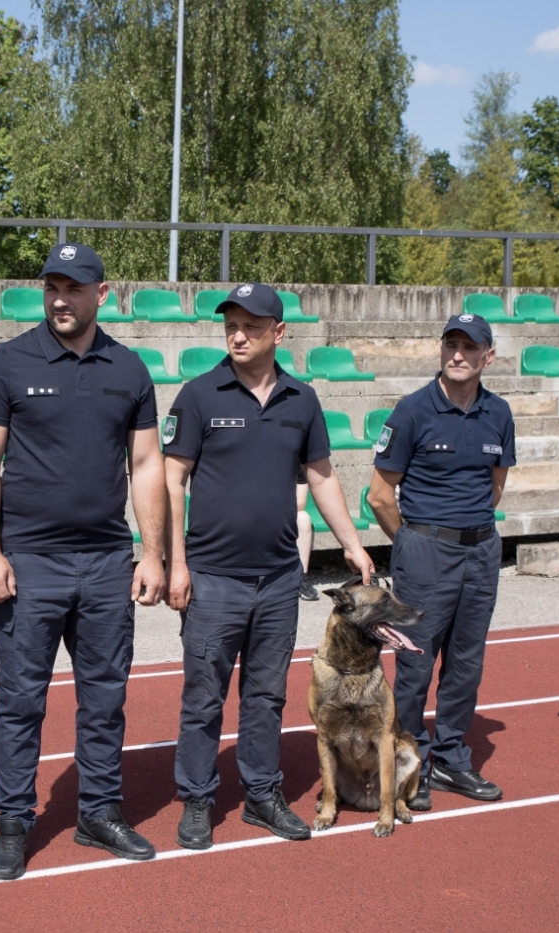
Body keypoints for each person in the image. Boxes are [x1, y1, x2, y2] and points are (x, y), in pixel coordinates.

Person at [0, 243, 167, 880]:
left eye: (74, 287)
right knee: (21, 701)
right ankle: (12, 822)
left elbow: (145, 465)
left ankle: (98, 812)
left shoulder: (130, 369)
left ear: (101, 294)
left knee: (105, 699)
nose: (60, 297)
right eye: (52, 285)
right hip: (31, 562)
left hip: (108, 561)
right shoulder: (8, 362)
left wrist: (152, 552)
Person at [164, 282, 374, 847]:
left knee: (266, 696)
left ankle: (261, 794)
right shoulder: (199, 394)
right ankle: (197, 798)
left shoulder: (302, 400)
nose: (238, 334)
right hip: (213, 579)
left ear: (279, 333)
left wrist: (352, 544)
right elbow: (171, 478)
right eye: (231, 324)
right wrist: (174, 562)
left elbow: (322, 476)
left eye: (252, 326)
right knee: (203, 696)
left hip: (280, 580)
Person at [365, 312, 514, 809]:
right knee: (416, 665)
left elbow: (494, 488)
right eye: (451, 344)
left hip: (481, 550)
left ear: (487, 356)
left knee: (466, 663)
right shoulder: (411, 411)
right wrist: (412, 544)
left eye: (470, 347)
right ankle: (410, 762)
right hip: (426, 552)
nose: (458, 354)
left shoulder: (499, 414)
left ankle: (450, 759)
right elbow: (380, 495)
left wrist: (469, 532)